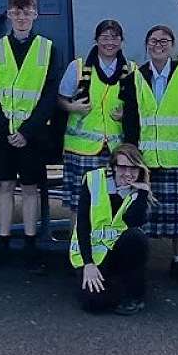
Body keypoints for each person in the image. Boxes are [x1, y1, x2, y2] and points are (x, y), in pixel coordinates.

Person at [0, 0, 60, 272]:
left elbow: (50, 95)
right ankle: (2, 243)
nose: (22, 17)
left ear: (35, 15)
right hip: (3, 135)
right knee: (4, 187)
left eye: (27, 12)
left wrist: (26, 131)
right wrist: (3, 128)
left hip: (33, 136)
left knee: (29, 189)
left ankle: (30, 245)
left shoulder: (48, 48)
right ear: (9, 15)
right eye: (16, 12)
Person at [125, 23, 178, 284]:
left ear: (172, 46)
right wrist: (132, 153)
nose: (158, 45)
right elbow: (130, 120)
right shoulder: (135, 77)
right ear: (146, 45)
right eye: (153, 41)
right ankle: (139, 264)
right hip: (146, 160)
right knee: (145, 216)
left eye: (163, 41)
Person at [57, 19, 135, 218]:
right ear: (96, 40)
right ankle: (79, 238)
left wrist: (126, 115)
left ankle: (111, 238)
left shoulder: (131, 70)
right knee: (81, 203)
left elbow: (140, 106)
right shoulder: (78, 67)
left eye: (115, 37)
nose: (110, 42)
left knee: (115, 201)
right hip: (82, 149)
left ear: (122, 41)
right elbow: (60, 99)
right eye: (104, 37)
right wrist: (72, 107)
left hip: (117, 150)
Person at [73, 143, 154, 315]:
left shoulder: (137, 191)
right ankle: (115, 286)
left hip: (119, 251)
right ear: (114, 167)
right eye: (123, 167)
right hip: (92, 254)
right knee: (94, 305)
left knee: (136, 237)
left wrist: (142, 193)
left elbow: (134, 221)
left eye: (134, 168)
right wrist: (88, 263)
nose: (128, 173)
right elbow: (83, 224)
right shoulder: (94, 180)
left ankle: (134, 294)